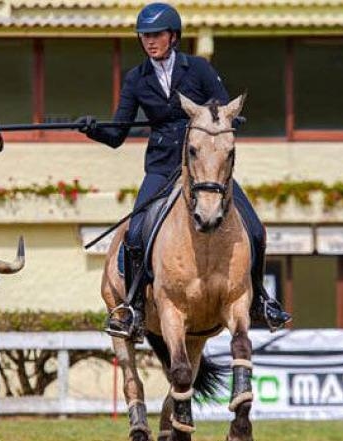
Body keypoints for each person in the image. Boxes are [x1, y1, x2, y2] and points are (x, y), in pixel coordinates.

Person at [78, 2, 291, 339]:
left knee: (256, 229)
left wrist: (223, 123)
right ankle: (131, 307)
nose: (150, 42)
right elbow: (118, 134)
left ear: (173, 36)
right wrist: (92, 129)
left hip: (207, 170)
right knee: (134, 234)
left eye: (156, 35)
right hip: (163, 168)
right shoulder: (137, 79)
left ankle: (261, 300)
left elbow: (221, 111)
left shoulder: (199, 70)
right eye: (144, 36)